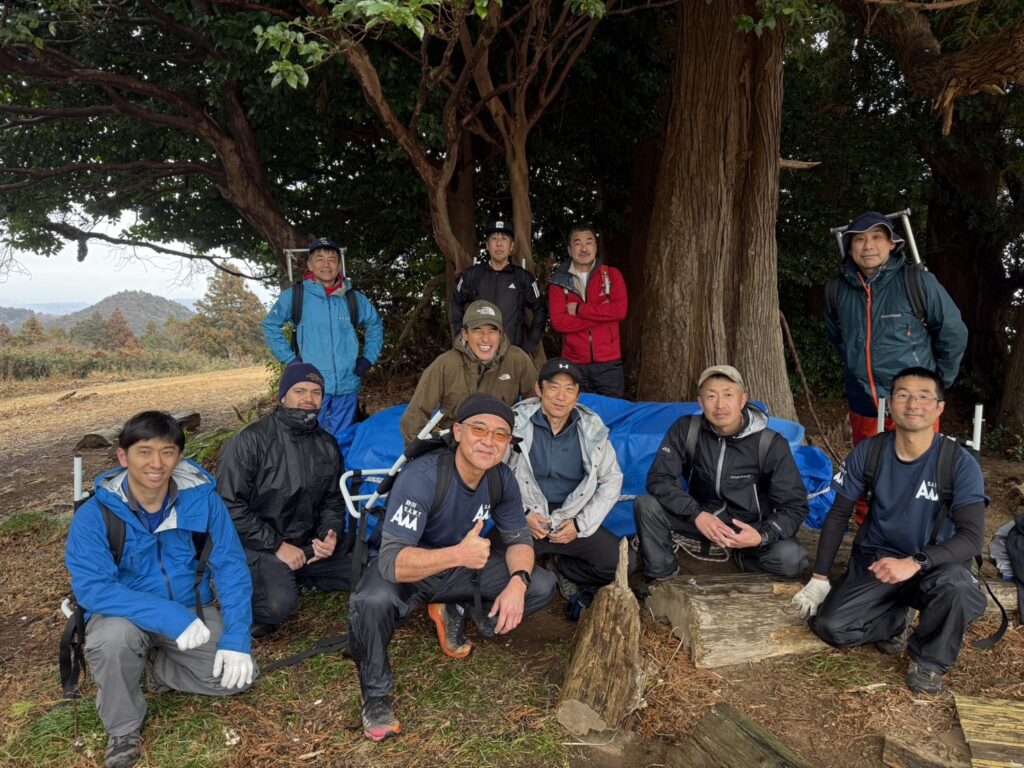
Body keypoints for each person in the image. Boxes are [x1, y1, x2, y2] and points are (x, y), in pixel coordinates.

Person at [348, 394, 557, 742]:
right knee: (370, 602)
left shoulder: (501, 478)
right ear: (458, 432)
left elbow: (519, 539)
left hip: (462, 567)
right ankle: (376, 697)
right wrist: (458, 554)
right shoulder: (422, 476)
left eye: (501, 435)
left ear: (509, 443)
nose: (489, 441)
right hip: (414, 570)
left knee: (540, 585)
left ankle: (454, 607)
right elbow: (393, 561)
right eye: (479, 429)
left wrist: (518, 582)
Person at [66, 411, 255, 768]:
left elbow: (230, 566)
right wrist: (168, 616)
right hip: (124, 615)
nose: (156, 464)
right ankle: (123, 731)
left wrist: (237, 637)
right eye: (144, 451)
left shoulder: (203, 501)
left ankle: (153, 669)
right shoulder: (95, 514)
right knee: (113, 641)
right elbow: (93, 588)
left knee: (236, 679)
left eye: (167, 452)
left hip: (192, 609)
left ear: (178, 457)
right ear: (123, 457)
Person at [791, 367, 988, 696]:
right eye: (903, 395)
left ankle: (929, 660)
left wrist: (915, 562)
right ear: (890, 404)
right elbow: (838, 514)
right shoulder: (870, 452)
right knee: (831, 627)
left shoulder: (958, 462)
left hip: (933, 564)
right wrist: (820, 577)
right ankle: (898, 620)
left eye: (924, 396)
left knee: (956, 586)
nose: (913, 404)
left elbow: (971, 538)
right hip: (878, 559)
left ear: (939, 407)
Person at [633, 365, 809, 588]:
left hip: (749, 529)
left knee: (791, 559)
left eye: (728, 395)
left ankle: (742, 559)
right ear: (700, 402)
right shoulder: (686, 430)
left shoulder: (770, 443)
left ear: (743, 400)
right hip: (700, 521)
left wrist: (762, 535)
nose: (720, 405)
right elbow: (659, 479)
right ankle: (662, 579)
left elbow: (794, 505)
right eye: (711, 396)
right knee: (646, 505)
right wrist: (697, 514)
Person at [217, 363, 349, 637]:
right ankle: (258, 578)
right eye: (299, 391)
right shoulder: (251, 440)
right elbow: (227, 504)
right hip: (258, 545)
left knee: (365, 567)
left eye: (316, 392)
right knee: (278, 606)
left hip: (306, 544)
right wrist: (277, 546)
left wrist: (329, 534)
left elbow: (333, 500)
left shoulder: (328, 444)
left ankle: (296, 572)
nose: (308, 399)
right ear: (282, 397)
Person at [825, 212, 967, 461]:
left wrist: (936, 384)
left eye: (877, 237)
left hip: (914, 405)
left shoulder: (917, 282)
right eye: (859, 239)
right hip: (864, 404)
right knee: (867, 471)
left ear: (892, 244)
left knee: (916, 471)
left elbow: (953, 332)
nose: (868, 246)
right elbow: (838, 338)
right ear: (849, 247)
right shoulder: (836, 290)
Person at [508, 357, 634, 599]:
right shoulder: (516, 423)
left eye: (569, 389)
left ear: (577, 396)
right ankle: (536, 572)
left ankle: (561, 567)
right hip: (526, 515)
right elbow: (494, 473)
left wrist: (579, 525)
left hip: (569, 516)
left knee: (622, 565)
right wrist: (522, 513)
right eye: (553, 387)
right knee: (491, 562)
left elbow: (612, 479)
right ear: (539, 389)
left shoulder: (591, 429)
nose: (560, 396)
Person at [263, 237, 384, 441]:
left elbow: (375, 324)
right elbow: (270, 325)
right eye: (320, 259)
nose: (326, 265)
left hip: (347, 384)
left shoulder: (353, 298)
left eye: (332, 259)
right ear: (310, 265)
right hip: (311, 387)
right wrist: (291, 361)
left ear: (339, 265)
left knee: (343, 441)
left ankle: (339, 462)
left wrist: (368, 358)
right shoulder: (295, 296)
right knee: (309, 440)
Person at [400, 300, 537, 444]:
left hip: (498, 443)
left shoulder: (517, 359)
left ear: (500, 334)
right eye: (477, 330)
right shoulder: (445, 364)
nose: (485, 338)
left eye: (492, 331)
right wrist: (424, 451)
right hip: (456, 444)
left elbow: (537, 404)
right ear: (465, 333)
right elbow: (414, 417)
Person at [548, 224, 628, 398]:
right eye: (578, 243)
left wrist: (580, 309)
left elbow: (620, 311)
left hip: (609, 363)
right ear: (570, 250)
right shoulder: (559, 282)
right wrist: (604, 314)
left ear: (596, 248)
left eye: (589, 242)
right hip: (574, 363)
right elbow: (559, 323)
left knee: (613, 411)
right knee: (576, 411)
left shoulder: (611, 275)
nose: (584, 248)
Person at [451, 219, 547, 357]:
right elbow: (456, 301)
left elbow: (540, 308)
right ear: (487, 246)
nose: (499, 244)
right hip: (478, 353)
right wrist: (460, 335)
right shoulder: (473, 275)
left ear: (512, 246)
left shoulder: (523, 277)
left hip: (510, 354)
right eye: (494, 239)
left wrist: (530, 343)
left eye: (504, 239)